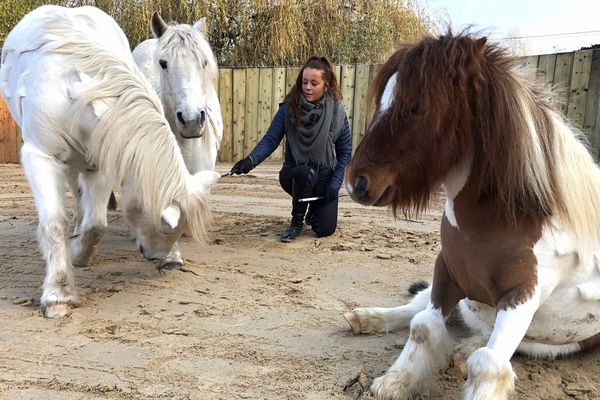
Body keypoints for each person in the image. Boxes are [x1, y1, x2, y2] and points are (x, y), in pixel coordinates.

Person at [230, 56, 352, 242]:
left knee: (324, 230)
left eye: (314, 83)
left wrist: (334, 186)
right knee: (306, 173)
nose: (308, 87)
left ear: (325, 85)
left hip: (324, 180)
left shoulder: (337, 111)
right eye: (304, 82)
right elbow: (271, 140)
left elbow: (345, 153)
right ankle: (296, 222)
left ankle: (313, 208)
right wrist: (250, 161)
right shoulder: (289, 108)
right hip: (295, 174)